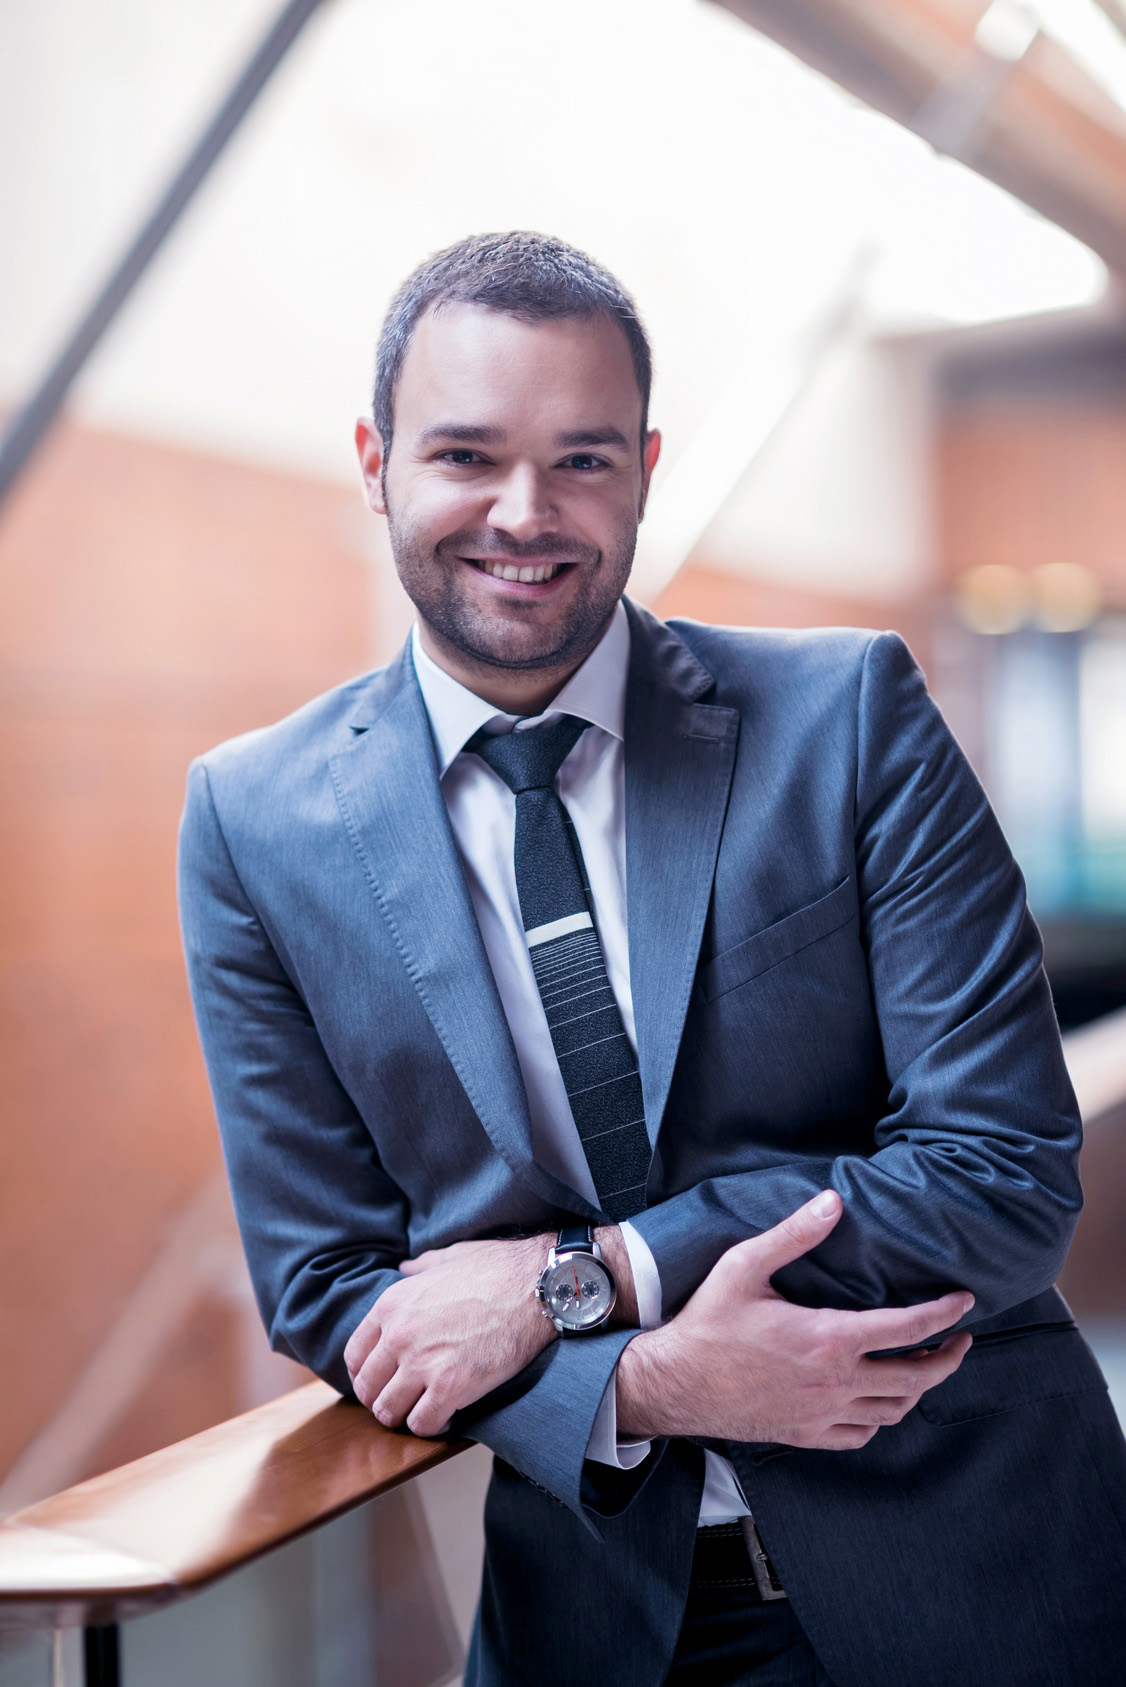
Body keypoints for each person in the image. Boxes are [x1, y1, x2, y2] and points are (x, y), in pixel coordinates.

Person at [178, 232, 1126, 1687]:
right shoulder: (253, 820)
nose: (523, 512)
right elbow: (328, 1282)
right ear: (374, 460)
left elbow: (1001, 1174)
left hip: (978, 1575)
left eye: (581, 460)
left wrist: (589, 1276)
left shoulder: (847, 720)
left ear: (644, 464)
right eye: (464, 455)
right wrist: (641, 1381)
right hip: (599, 1617)